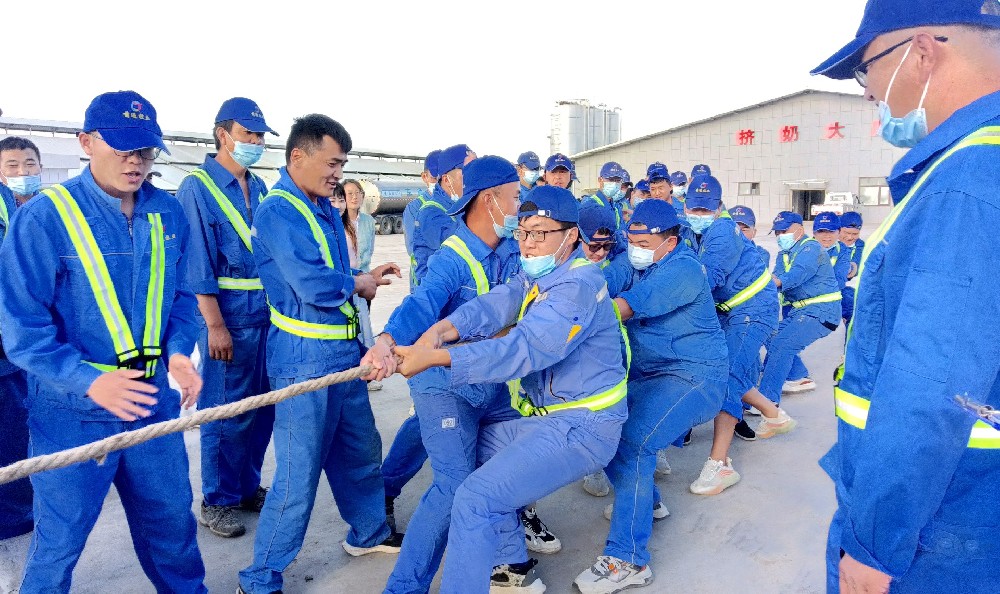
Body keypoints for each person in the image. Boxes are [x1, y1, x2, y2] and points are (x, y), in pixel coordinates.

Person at [812, 4, 1000, 592]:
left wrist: (876, 543)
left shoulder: (966, 184)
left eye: (869, 71)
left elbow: (933, 389)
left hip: (940, 528)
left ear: (922, 52)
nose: (871, 97)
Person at [0, 90, 207, 592]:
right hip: (72, 416)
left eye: (145, 151)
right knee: (58, 542)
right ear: (86, 143)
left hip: (152, 405)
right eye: (121, 148)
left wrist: (179, 352)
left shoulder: (168, 213)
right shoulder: (46, 217)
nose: (135, 162)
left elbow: (181, 299)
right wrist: (90, 381)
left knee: (173, 530)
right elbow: (22, 331)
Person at [392, 185, 629, 594]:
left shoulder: (576, 287)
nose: (530, 243)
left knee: (474, 498)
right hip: (554, 419)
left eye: (541, 233)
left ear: (571, 236)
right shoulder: (542, 274)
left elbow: (525, 349)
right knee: (478, 458)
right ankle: (513, 567)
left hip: (584, 427)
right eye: (524, 232)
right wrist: (441, 331)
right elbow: (496, 302)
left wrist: (436, 357)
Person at [360, 156, 544, 593]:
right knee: (453, 485)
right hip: (444, 386)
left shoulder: (511, 250)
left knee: (503, 467)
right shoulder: (452, 257)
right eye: (515, 197)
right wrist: (387, 341)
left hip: (489, 383)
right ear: (490, 200)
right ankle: (404, 586)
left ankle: (506, 562)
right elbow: (421, 304)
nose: (521, 207)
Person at [238, 114, 403, 594]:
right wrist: (357, 282)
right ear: (298, 156)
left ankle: (369, 531)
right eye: (332, 163)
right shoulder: (278, 211)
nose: (338, 173)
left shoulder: (323, 206)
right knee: (297, 472)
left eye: (342, 165)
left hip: (342, 351)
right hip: (303, 355)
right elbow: (310, 283)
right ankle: (260, 577)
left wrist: (363, 283)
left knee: (359, 449)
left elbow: (338, 271)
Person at [575, 199, 727, 594]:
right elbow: (603, 282)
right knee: (603, 430)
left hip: (694, 376)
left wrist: (557, 325)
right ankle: (648, 501)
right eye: (632, 238)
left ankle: (628, 560)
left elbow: (619, 308)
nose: (636, 245)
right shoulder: (640, 261)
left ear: (670, 240)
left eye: (645, 239)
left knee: (635, 440)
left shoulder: (683, 269)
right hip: (651, 373)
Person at [175, 97, 277, 539]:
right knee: (224, 412)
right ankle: (216, 500)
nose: (255, 143)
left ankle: (246, 486)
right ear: (223, 135)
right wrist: (214, 324)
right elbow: (196, 262)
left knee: (262, 409)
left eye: (259, 137)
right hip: (226, 319)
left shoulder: (262, 187)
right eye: (248, 135)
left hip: (268, 318)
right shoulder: (196, 187)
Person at [683, 175, 792, 496]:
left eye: (706, 209)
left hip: (752, 309)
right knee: (724, 370)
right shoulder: (693, 228)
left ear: (719, 207)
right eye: (693, 207)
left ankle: (720, 464)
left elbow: (706, 280)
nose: (698, 214)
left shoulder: (721, 233)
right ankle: (773, 415)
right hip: (732, 309)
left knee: (727, 378)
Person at [0, 136, 43, 540]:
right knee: (10, 428)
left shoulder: (50, 210)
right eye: (12, 165)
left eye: (28, 164)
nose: (22, 173)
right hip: (6, 342)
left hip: (41, 337)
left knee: (33, 420)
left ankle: (31, 498)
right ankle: (14, 516)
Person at [577, 203, 632, 498]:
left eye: (606, 246)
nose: (599, 253)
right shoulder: (566, 270)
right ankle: (594, 467)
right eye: (593, 246)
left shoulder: (617, 265)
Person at [758, 211, 841, 410]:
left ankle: (767, 404)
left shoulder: (810, 248)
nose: (780, 236)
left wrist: (757, 284)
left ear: (800, 230)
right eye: (777, 232)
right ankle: (797, 376)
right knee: (766, 331)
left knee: (782, 345)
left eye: (784, 231)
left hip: (821, 311)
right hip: (801, 312)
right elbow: (775, 280)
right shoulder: (783, 254)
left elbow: (795, 276)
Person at [411, 143, 475, 286]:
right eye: (468, 173)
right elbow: (463, 248)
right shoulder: (431, 213)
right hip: (438, 297)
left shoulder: (462, 206)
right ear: (447, 180)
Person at [341, 179, 380, 390]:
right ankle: (353, 374)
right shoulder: (337, 221)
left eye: (358, 193)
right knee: (351, 328)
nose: (354, 197)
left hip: (364, 280)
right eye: (349, 193)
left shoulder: (367, 221)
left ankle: (366, 373)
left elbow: (368, 251)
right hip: (347, 281)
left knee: (365, 327)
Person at [403, 150, 441, 290]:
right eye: (434, 178)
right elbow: (415, 250)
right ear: (424, 177)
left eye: (442, 178)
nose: (438, 183)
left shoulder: (455, 206)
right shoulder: (414, 209)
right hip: (424, 282)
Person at [837, 211, 864, 325]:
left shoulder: (861, 246)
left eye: (855, 234)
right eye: (846, 232)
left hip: (848, 292)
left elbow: (853, 269)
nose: (850, 237)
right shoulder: (828, 242)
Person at [587, 161, 628, 228]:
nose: (614, 184)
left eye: (617, 180)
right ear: (600, 180)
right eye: (611, 179)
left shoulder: (616, 207)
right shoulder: (590, 206)